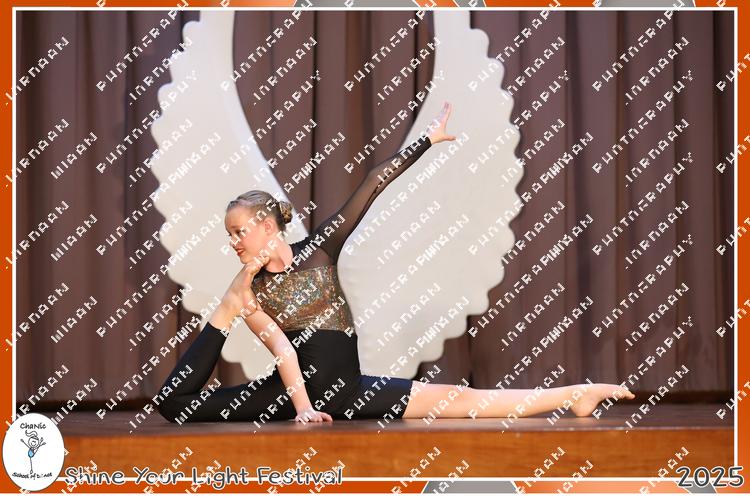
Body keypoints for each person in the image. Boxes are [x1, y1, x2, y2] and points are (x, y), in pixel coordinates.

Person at [155, 101, 635, 425]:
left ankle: (576, 393)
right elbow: (282, 349)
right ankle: (223, 314)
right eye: (229, 235)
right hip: (289, 396)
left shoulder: (319, 251)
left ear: (267, 225)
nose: (233, 242)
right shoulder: (251, 287)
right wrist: (301, 407)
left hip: (351, 392)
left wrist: (426, 141)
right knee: (176, 405)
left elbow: (373, 183)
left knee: (463, 401)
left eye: (239, 231)